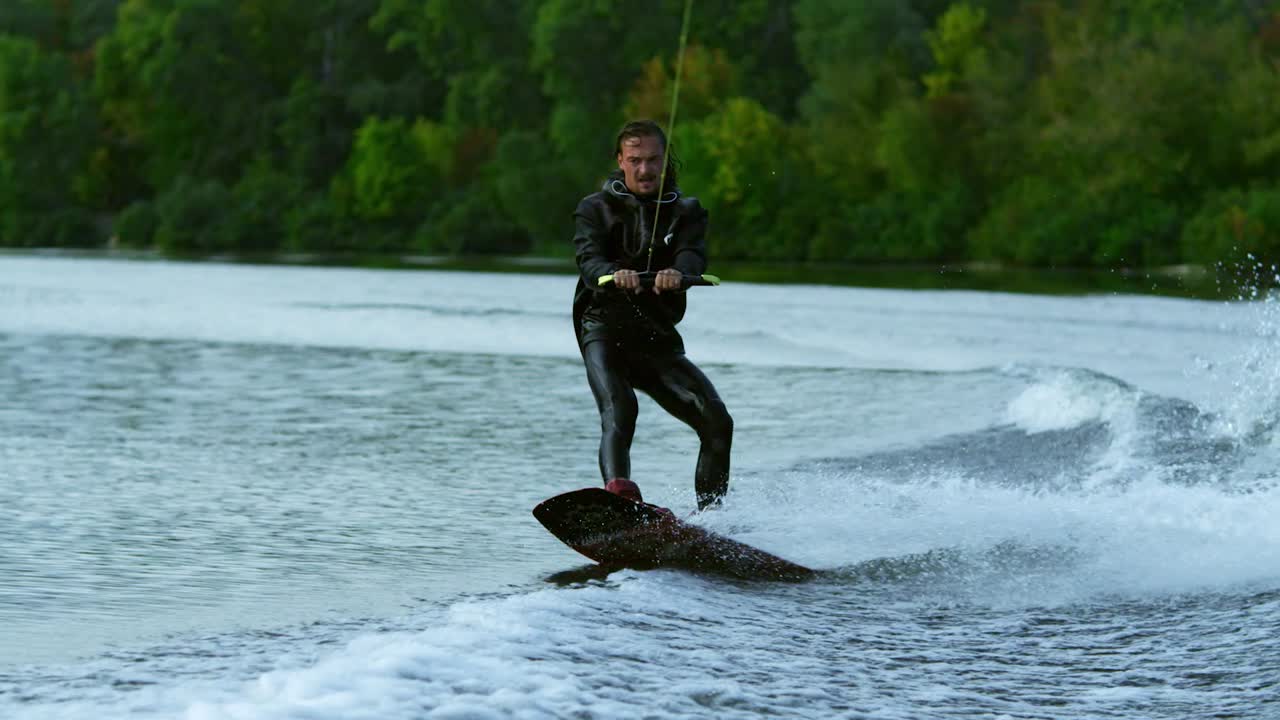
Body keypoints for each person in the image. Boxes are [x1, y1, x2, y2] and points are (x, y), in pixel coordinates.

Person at [571, 119, 733, 511]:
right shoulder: (594, 209)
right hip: (604, 330)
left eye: (653, 160)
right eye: (635, 160)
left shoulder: (687, 212)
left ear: (665, 161)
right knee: (622, 407)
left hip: (654, 335)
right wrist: (614, 274)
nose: (645, 170)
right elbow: (589, 261)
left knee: (717, 422)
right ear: (620, 161)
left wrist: (679, 273)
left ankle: (712, 520)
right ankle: (619, 495)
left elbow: (692, 255)